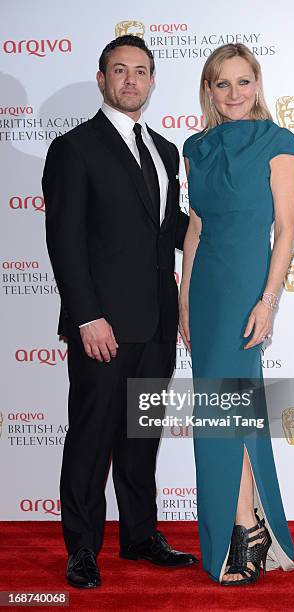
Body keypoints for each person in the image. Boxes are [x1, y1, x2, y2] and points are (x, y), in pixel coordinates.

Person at [42, 34, 197, 589]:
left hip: (156, 320)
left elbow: (168, 230)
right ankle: (82, 549)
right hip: (102, 325)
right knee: (90, 436)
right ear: (103, 79)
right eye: (119, 70)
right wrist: (86, 316)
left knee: (140, 437)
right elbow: (65, 240)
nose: (131, 80)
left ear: (153, 81)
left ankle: (138, 537)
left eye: (141, 71)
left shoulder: (165, 149)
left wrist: (221, 219)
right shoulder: (74, 147)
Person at [179, 43, 294, 585]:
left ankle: (245, 526)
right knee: (219, 412)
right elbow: (196, 227)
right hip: (206, 291)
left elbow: (286, 230)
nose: (233, 93)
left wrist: (269, 300)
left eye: (243, 81)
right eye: (222, 83)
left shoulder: (279, 142)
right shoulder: (196, 146)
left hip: (245, 292)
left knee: (229, 409)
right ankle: (245, 522)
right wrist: (183, 300)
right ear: (209, 90)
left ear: (258, 83)